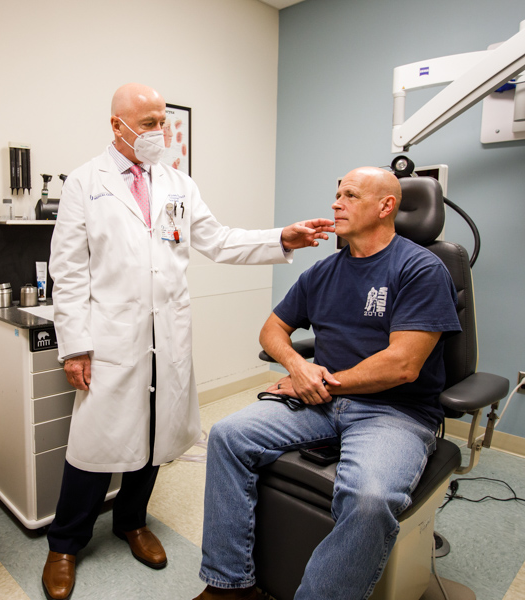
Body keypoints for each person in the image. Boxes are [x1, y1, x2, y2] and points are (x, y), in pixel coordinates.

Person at [43, 82, 335, 600]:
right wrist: (75, 344)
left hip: (167, 334)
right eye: (149, 122)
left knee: (156, 435)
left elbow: (217, 240)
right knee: (93, 443)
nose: (160, 131)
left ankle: (132, 521)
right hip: (109, 335)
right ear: (118, 125)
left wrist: (280, 238)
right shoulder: (85, 183)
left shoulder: (178, 184)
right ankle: (64, 543)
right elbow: (68, 271)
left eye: (163, 121)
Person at [195, 167, 462, 600]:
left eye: (350, 195)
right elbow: (271, 332)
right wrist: (297, 368)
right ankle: (229, 587)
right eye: (337, 194)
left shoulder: (420, 268)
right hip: (320, 401)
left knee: (370, 498)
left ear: (386, 206)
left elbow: (402, 365)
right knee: (227, 435)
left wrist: (321, 383)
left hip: (394, 411)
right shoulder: (322, 272)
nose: (336, 203)